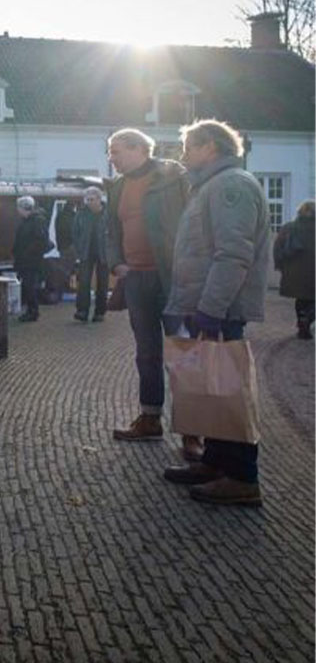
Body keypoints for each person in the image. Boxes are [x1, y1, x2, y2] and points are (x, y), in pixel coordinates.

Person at [160, 120, 269, 507]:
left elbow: (234, 254)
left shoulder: (231, 186)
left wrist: (210, 308)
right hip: (210, 305)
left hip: (220, 308)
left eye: (188, 146)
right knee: (214, 384)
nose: (183, 154)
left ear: (209, 147)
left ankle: (242, 476)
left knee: (229, 388)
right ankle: (217, 463)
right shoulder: (214, 185)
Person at [103, 129, 195, 455]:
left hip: (174, 280)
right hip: (137, 282)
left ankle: (192, 432)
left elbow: (195, 221)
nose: (110, 158)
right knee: (146, 352)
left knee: (184, 352)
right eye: (109, 152)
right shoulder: (116, 187)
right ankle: (150, 418)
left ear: (139, 148)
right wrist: (116, 264)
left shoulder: (173, 176)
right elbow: (111, 230)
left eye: (115, 151)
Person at [274, 200, 315, 339]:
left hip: (293, 272)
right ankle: (307, 320)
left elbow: (277, 247)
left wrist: (279, 266)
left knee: (301, 299)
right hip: (313, 272)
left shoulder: (288, 227)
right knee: (312, 299)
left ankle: (302, 323)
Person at [72, 186, 110, 322]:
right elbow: (75, 232)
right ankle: (82, 311)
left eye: (92, 199)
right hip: (85, 252)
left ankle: (100, 312)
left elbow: (115, 233)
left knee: (103, 284)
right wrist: (78, 249)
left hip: (103, 253)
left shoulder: (109, 213)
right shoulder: (81, 213)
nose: (89, 202)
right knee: (83, 283)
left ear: (99, 199)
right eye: (87, 199)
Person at [12, 196, 49, 322]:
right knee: (29, 286)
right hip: (28, 260)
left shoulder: (35, 221)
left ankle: (33, 311)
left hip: (31, 261)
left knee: (30, 286)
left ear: (23, 208)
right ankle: (31, 310)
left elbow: (40, 241)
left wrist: (27, 253)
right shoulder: (31, 220)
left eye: (18, 208)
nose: (17, 211)